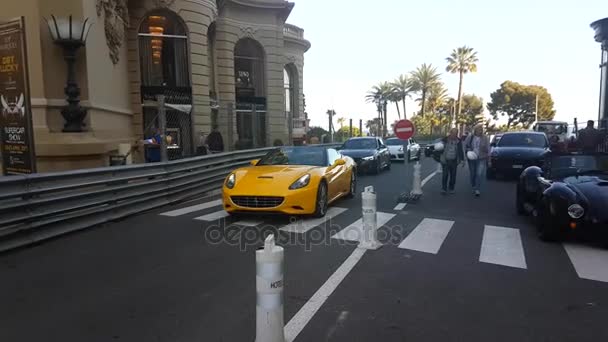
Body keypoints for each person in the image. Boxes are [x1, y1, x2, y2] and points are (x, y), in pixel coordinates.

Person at [435, 127, 465, 195]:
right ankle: (444, 188)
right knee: (445, 175)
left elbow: (460, 151)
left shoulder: (458, 141)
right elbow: (439, 148)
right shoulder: (444, 139)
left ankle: (451, 188)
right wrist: (439, 158)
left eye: (455, 133)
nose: (454, 135)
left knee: (453, 175)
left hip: (454, 161)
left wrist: (462, 160)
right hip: (445, 160)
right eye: (453, 133)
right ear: (450, 133)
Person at [464, 124, 490, 197]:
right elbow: (465, 145)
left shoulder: (485, 138)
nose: (480, 131)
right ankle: (473, 183)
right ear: (475, 130)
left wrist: (489, 158)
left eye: (481, 130)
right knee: (473, 173)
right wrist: (467, 151)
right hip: (472, 158)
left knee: (479, 174)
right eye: (478, 130)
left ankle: (477, 189)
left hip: (481, 158)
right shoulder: (470, 137)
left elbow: (488, 148)